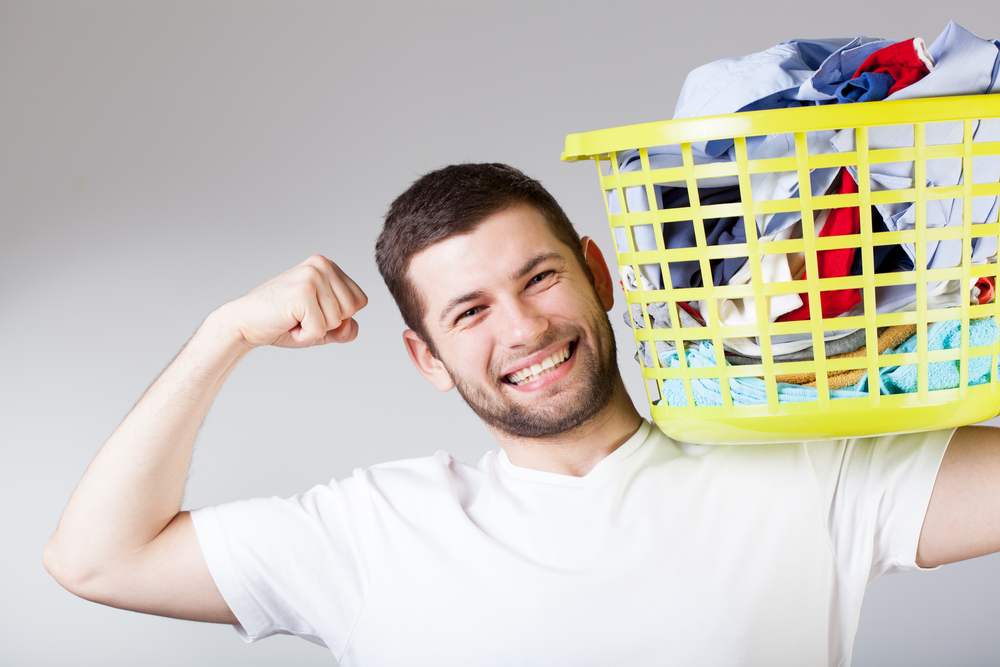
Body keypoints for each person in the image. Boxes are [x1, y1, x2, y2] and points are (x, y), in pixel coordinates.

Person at [44, 163, 1000, 666]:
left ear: (599, 274)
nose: (526, 327)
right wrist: (222, 335)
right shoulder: (370, 531)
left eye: (539, 277)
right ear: (426, 358)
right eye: (470, 312)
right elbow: (96, 559)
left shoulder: (806, 471)